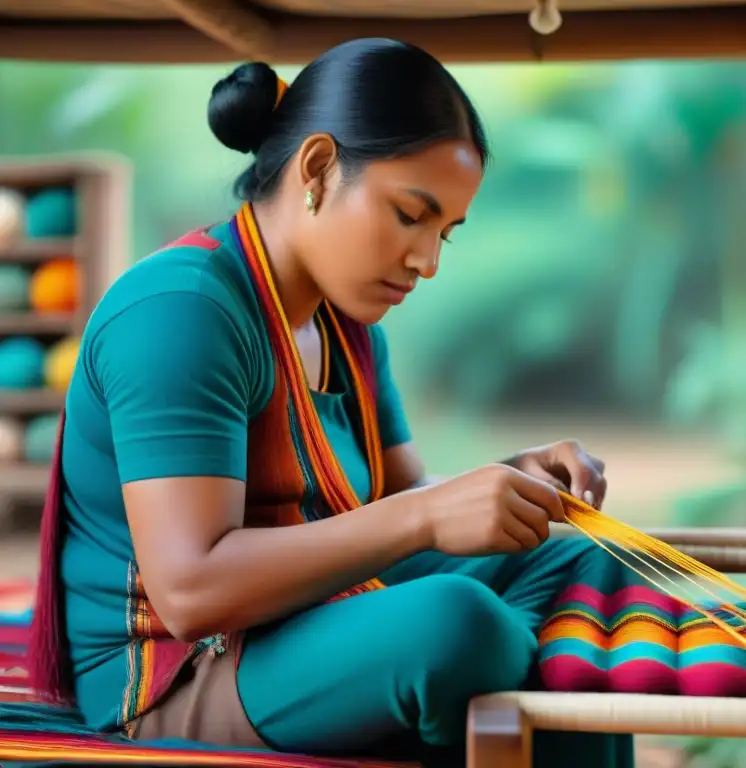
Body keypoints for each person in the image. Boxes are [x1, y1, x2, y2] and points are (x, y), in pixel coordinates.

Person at [38, 38, 635, 768]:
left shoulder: (344, 325)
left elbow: (405, 497)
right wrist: (425, 518)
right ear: (317, 170)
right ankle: (500, 679)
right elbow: (191, 589)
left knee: (587, 557)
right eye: (409, 214)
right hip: (183, 669)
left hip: (307, 619)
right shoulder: (182, 311)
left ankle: (499, 682)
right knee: (455, 628)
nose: (429, 261)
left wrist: (513, 482)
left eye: (443, 231)